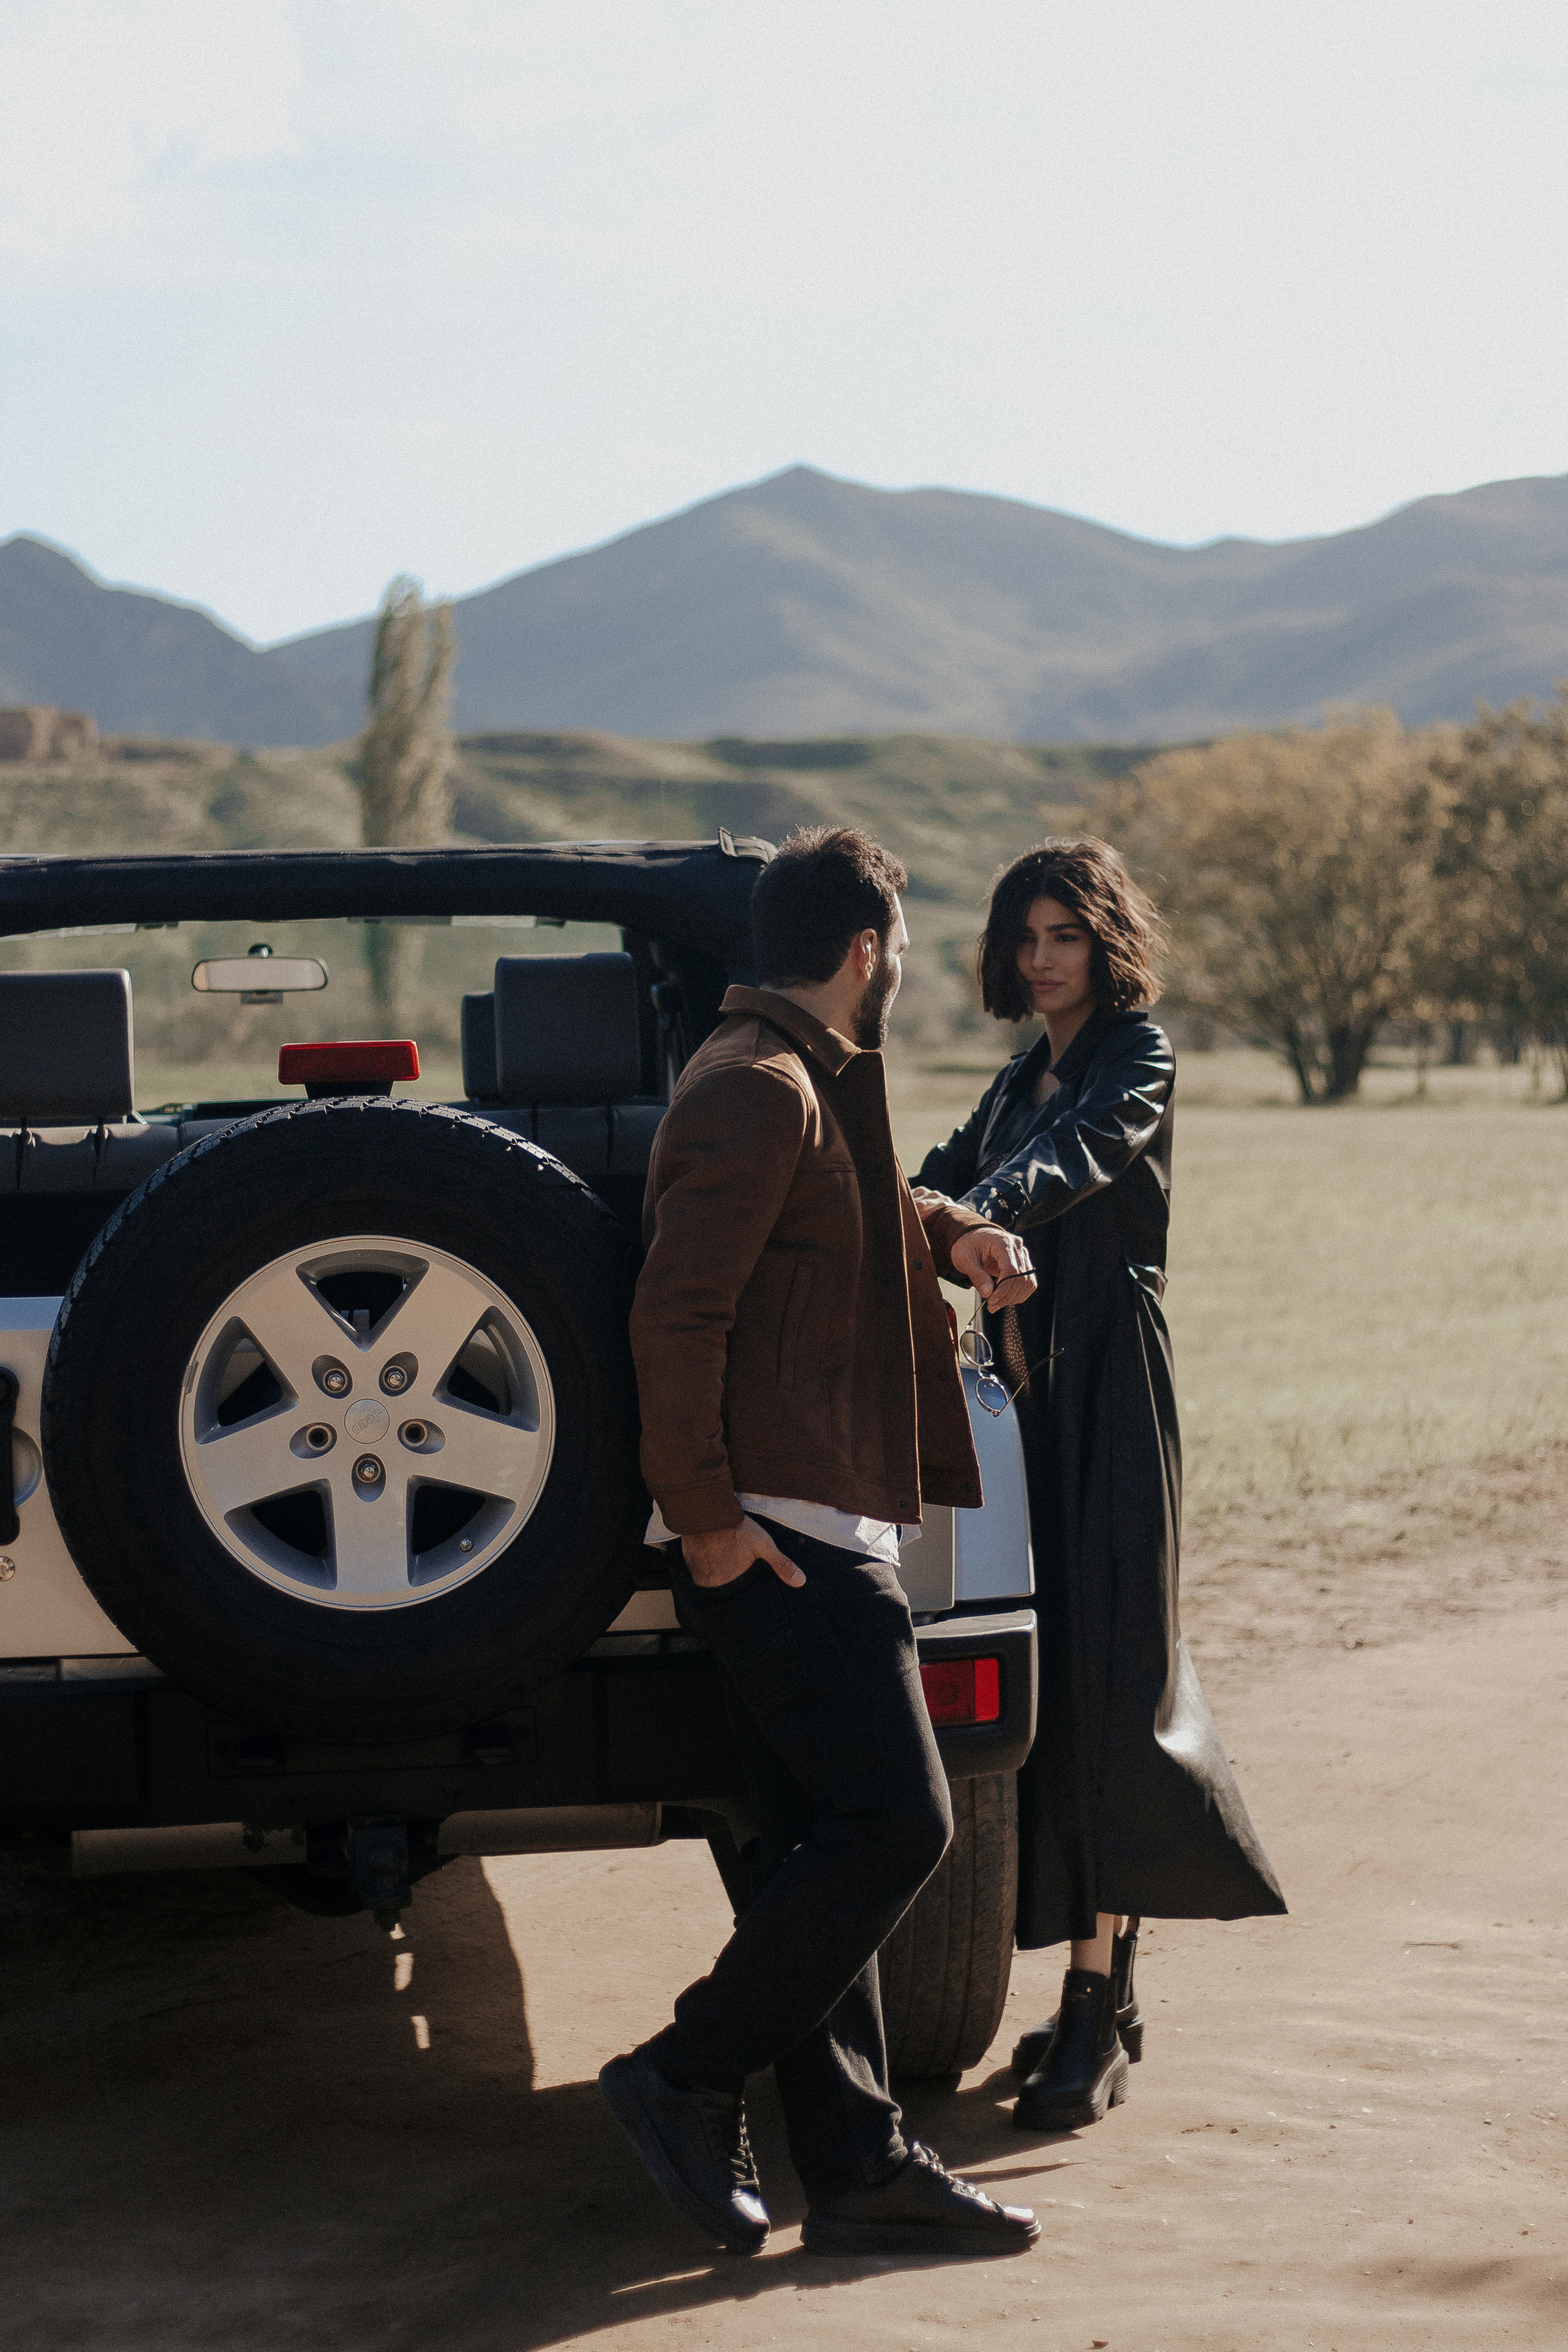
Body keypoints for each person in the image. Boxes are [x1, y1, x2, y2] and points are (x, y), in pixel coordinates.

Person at [601, 825, 1042, 2260]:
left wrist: (952, 1230)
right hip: (783, 1532)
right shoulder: (753, 1086)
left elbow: (835, 1219)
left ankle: (857, 2166)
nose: (904, 964)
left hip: (802, 1511)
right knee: (895, 1824)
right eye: (900, 944)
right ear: (866, 951)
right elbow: (677, 1316)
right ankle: (679, 2074)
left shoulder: (794, 1075)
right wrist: (712, 1525)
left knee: (809, 1840)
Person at [914, 839, 1286, 2135]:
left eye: (1061, 933)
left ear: (1103, 939)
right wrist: (908, 1208)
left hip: (1111, 1388)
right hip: (1022, 1398)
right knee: (1050, 1684)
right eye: (1021, 938)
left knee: (1114, 1676)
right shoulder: (1019, 1072)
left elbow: (1076, 1159)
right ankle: (1099, 1998)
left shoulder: (1137, 1054)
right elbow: (937, 1173)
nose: (1039, 958)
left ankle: (1091, 2005)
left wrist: (982, 1218)